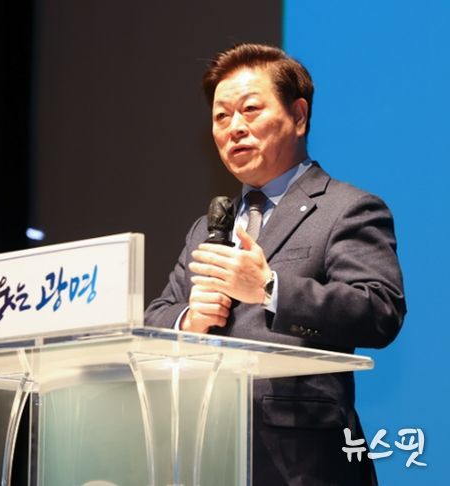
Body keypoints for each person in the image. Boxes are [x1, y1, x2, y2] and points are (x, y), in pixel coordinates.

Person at [144, 43, 406, 485]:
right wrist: (190, 319)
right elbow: (156, 315)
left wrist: (269, 288)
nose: (234, 128)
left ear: (299, 116)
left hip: (304, 463)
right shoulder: (207, 228)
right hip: (206, 453)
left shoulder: (347, 208)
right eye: (221, 116)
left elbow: (379, 311)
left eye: (250, 109)